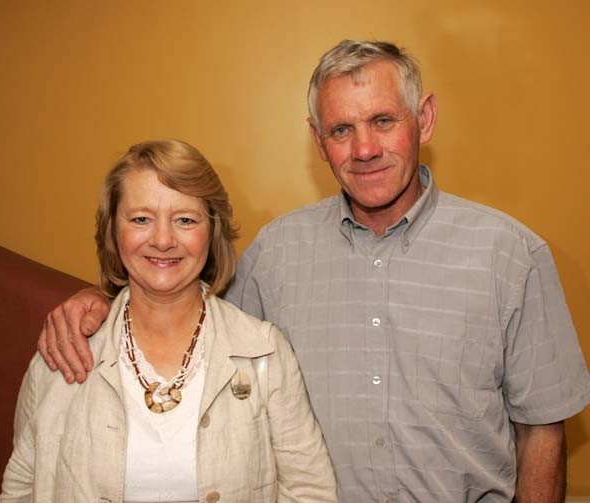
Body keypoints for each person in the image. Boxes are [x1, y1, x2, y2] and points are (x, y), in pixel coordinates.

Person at [36, 41, 590, 503]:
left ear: (424, 119)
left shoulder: (512, 254)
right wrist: (100, 300)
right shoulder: (276, 252)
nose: (365, 148)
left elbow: (540, 426)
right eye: (341, 130)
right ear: (317, 139)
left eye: (382, 121)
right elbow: (189, 318)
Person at [0, 139, 337, 502]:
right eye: (141, 218)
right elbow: (21, 489)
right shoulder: (64, 349)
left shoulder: (265, 353)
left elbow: (310, 492)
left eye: (185, 220)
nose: (163, 240)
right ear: (113, 229)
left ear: (213, 230)